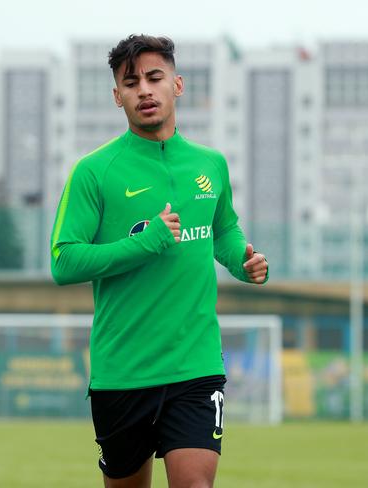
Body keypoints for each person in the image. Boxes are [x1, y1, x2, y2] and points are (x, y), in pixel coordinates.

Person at [50, 35, 268, 488]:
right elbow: (64, 262)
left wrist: (241, 261)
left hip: (196, 365)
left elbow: (223, 230)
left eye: (155, 78)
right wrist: (144, 243)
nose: (144, 90)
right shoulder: (94, 171)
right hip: (123, 372)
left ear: (178, 84)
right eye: (131, 83)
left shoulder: (211, 164)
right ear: (117, 96)